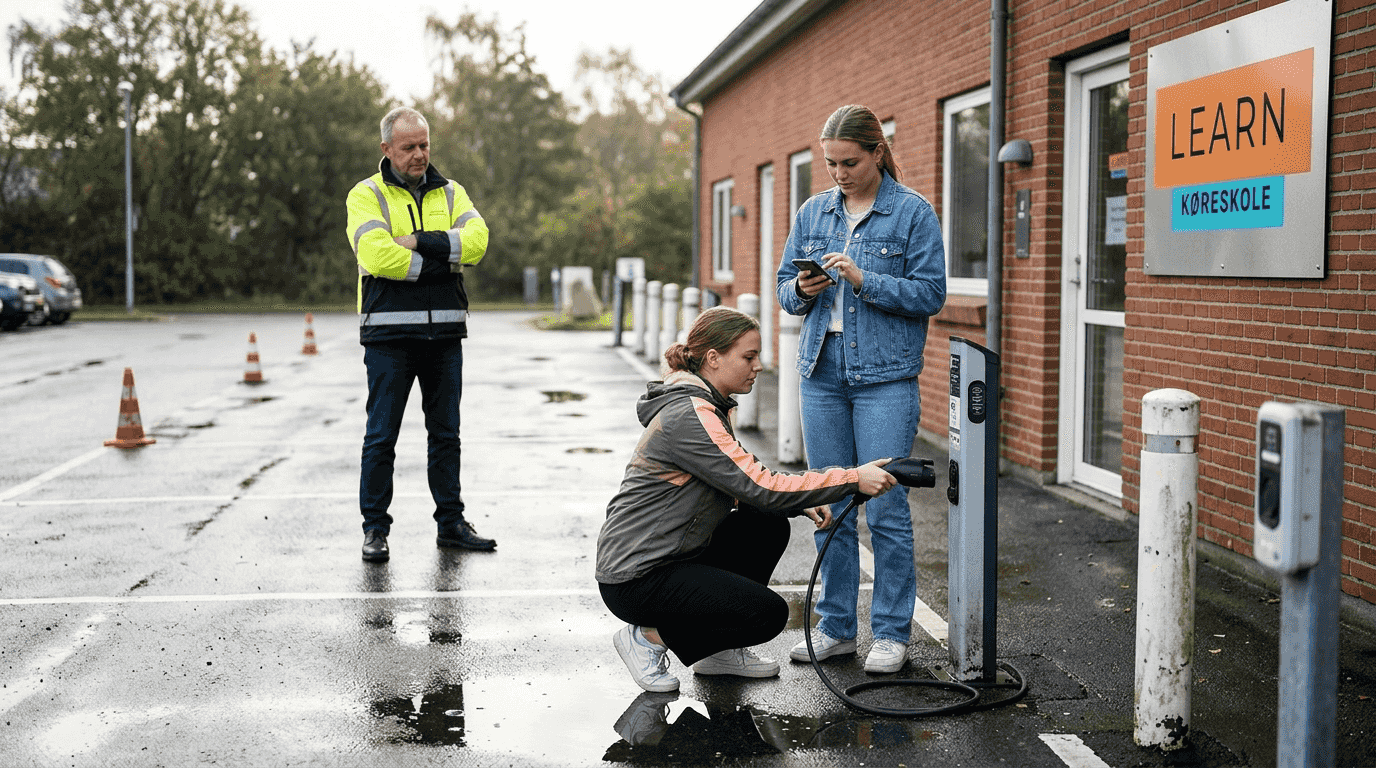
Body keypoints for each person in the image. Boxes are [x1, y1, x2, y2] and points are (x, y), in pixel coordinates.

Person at [596, 306, 899, 692]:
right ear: (713, 358)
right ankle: (649, 638)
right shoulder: (691, 414)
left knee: (765, 523)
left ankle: (716, 652)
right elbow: (760, 485)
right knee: (766, 616)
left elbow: (742, 482)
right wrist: (853, 478)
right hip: (637, 577)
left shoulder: (705, 403)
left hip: (668, 557)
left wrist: (795, 501)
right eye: (748, 356)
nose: (758, 365)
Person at [775, 104, 946, 674]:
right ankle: (836, 628)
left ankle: (892, 633)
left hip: (885, 379)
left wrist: (863, 279)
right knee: (830, 501)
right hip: (821, 371)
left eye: (849, 162)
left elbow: (930, 294)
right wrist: (802, 286)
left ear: (878, 152)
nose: (839, 174)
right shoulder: (814, 210)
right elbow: (783, 288)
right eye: (830, 164)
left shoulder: (913, 213)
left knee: (885, 505)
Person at [345, 106, 493, 562]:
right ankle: (375, 529)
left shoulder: (452, 192)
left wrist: (418, 241)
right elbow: (376, 257)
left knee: (446, 434)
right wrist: (443, 258)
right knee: (381, 436)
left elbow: (479, 243)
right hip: (389, 338)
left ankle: (450, 524)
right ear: (386, 149)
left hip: (445, 335)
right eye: (408, 147)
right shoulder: (364, 195)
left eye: (424, 144)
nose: (419, 155)